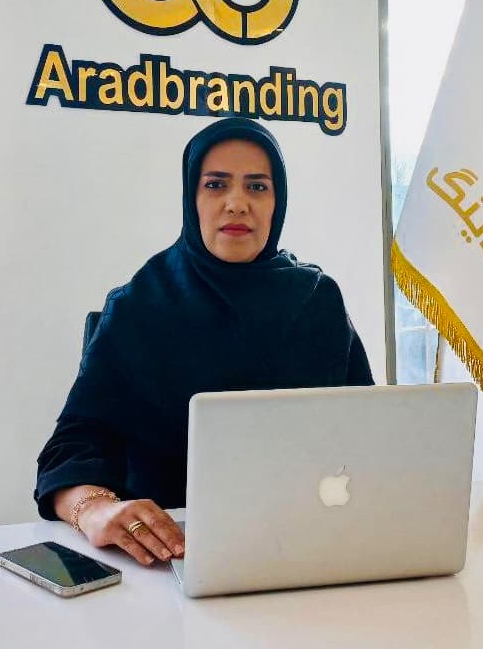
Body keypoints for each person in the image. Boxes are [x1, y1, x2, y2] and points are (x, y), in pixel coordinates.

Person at [34, 117, 374, 567]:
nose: (237, 204)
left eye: (257, 187)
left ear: (277, 202)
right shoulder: (140, 305)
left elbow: (369, 431)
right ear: (191, 198)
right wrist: (92, 508)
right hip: (170, 556)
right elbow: (68, 450)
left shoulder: (317, 300)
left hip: (312, 545)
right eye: (215, 185)